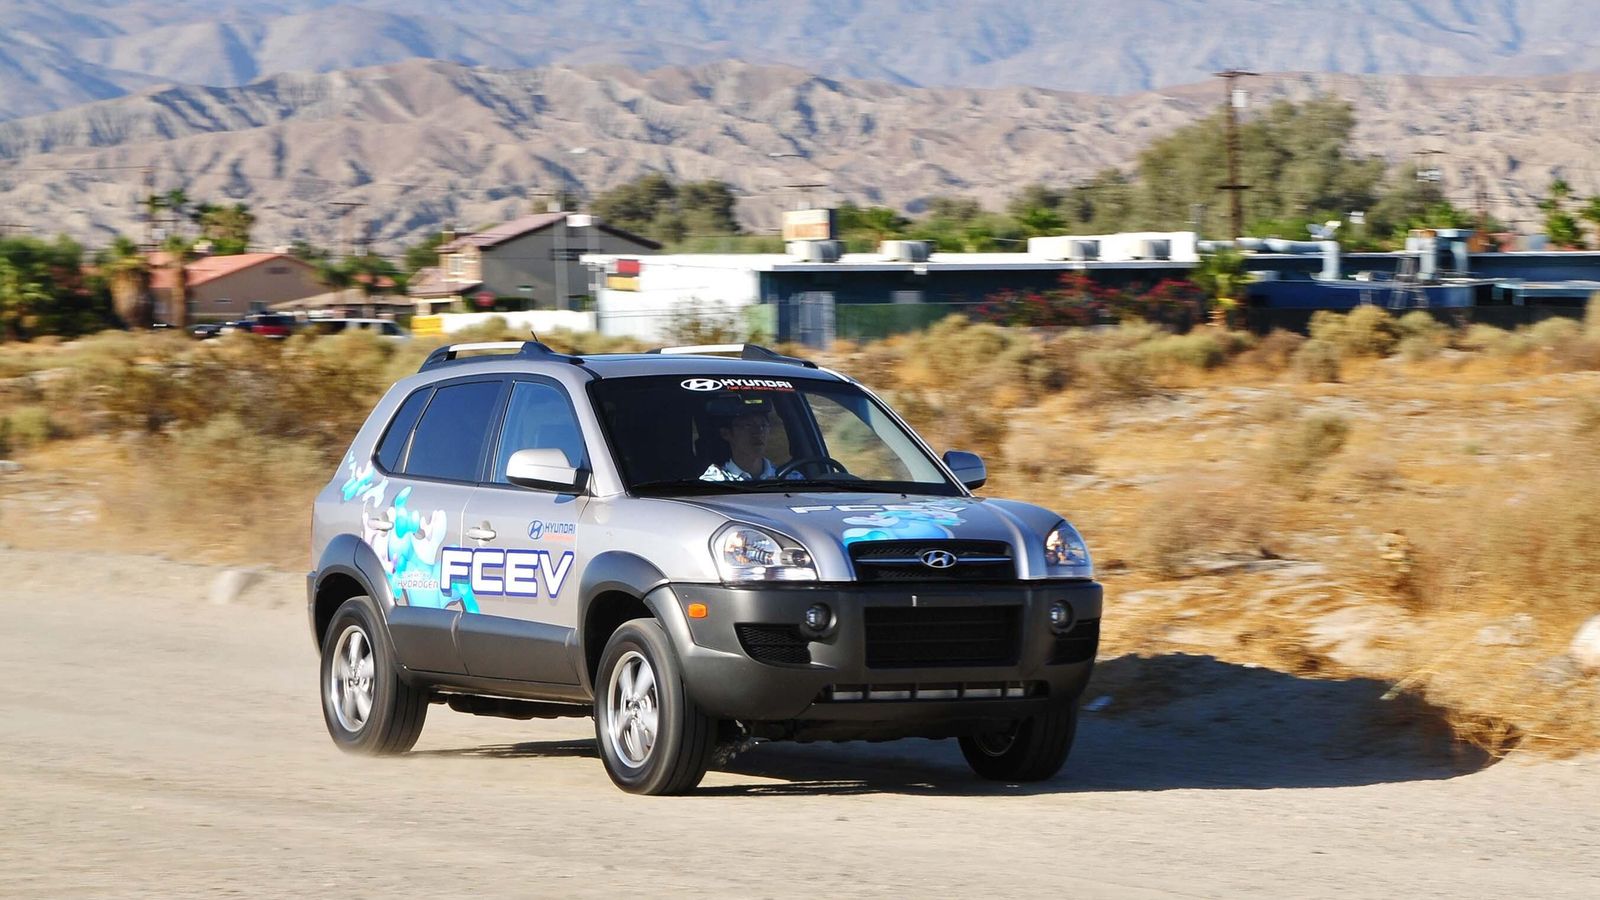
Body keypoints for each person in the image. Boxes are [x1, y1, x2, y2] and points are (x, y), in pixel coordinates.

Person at [699, 403, 788, 482]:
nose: (758, 432)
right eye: (748, 425)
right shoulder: (713, 482)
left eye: (763, 425)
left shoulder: (788, 477)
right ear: (726, 433)